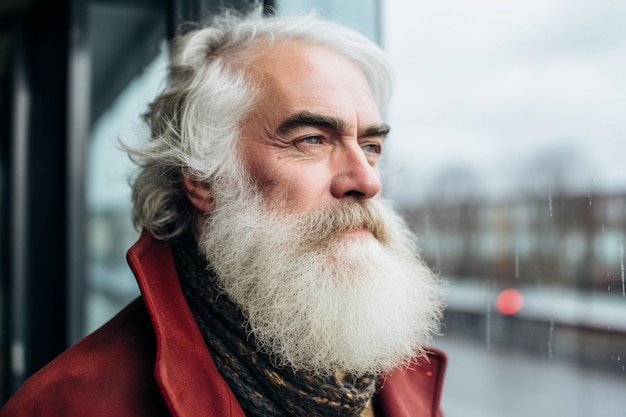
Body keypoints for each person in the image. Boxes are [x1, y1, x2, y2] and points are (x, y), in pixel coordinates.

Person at [1, 5, 446, 417]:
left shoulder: (401, 372)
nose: (367, 181)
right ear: (201, 177)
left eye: (370, 147)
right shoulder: (73, 404)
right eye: (311, 139)